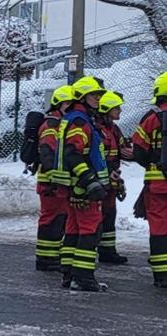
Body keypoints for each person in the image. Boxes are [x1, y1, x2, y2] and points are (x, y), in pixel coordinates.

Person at [59, 74, 110, 292]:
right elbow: (74, 154)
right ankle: (84, 278)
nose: (98, 99)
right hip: (84, 186)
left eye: (99, 95)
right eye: (94, 96)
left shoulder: (77, 119)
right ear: (81, 97)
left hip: (75, 186)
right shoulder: (80, 121)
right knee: (90, 230)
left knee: (74, 229)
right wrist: (90, 181)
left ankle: (70, 275)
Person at [30, 84, 74, 272]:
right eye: (68, 104)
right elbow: (48, 151)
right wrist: (55, 175)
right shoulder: (51, 124)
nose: (71, 107)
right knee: (51, 219)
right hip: (50, 182)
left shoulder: (61, 123)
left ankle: (52, 255)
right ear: (59, 104)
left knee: (60, 218)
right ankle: (45, 258)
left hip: (57, 181)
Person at [130, 71, 167, 289]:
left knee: (160, 228)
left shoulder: (151, 119)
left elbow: (138, 151)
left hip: (157, 185)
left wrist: (153, 165)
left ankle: (162, 275)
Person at [95, 91, 128, 265]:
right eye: (117, 108)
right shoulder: (96, 128)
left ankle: (108, 251)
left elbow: (124, 149)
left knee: (109, 214)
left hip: (111, 178)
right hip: (98, 179)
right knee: (94, 216)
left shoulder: (114, 129)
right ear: (107, 108)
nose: (120, 110)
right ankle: (84, 249)